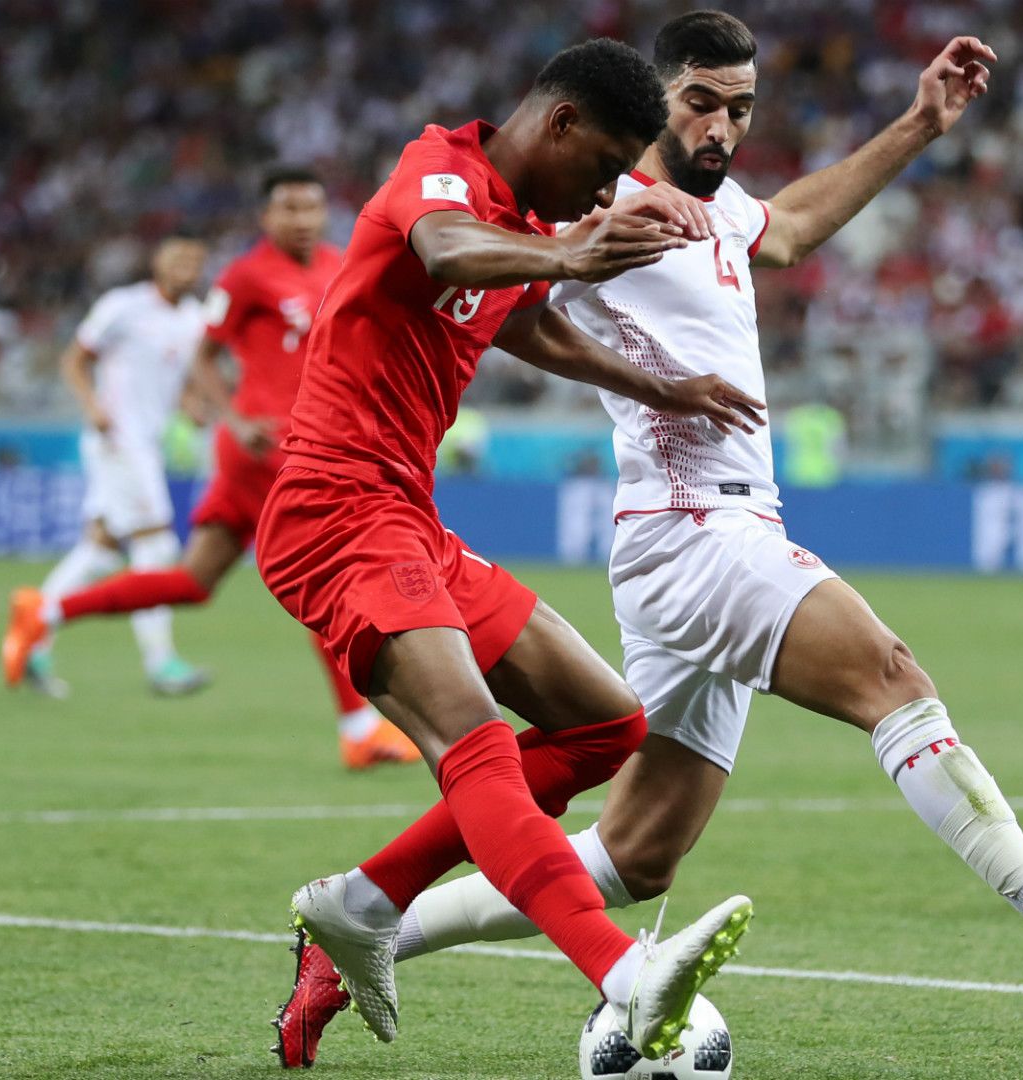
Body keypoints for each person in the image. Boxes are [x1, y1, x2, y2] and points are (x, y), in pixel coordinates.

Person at [278, 13, 1023, 1065]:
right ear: (646, 104)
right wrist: (581, 247)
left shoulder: (703, 213)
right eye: (701, 105)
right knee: (891, 677)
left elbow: (794, 227)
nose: (722, 127)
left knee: (638, 851)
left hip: (696, 529)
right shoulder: (599, 196)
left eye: (741, 110)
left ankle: (370, 922)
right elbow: (476, 252)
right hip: (692, 530)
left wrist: (918, 125)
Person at [260, 38, 771, 1068]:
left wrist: (659, 384)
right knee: (479, 744)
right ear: (561, 123)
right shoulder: (442, 170)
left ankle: (358, 907)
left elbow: (521, 326)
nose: (610, 188)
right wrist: (571, 252)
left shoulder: (529, 226)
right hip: (334, 511)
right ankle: (628, 975)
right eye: (609, 163)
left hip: (407, 516)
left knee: (605, 725)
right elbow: (447, 249)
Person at [0, 169, 417, 768]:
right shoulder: (245, 276)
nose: (301, 219)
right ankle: (358, 730)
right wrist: (231, 417)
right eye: (288, 208)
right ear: (265, 217)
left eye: (311, 207)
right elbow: (202, 353)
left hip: (307, 444)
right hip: (271, 450)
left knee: (194, 581)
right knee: (331, 583)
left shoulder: (337, 262)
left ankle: (47, 610)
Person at [1, 237, 210, 697]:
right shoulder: (123, 306)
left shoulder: (194, 319)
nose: (186, 267)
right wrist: (92, 405)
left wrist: (191, 404)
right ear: (157, 261)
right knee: (156, 546)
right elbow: (74, 359)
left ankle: (33, 633)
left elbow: (172, 380)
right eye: (177, 257)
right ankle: (161, 664)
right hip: (118, 439)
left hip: (146, 444)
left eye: (195, 260)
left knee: (100, 551)